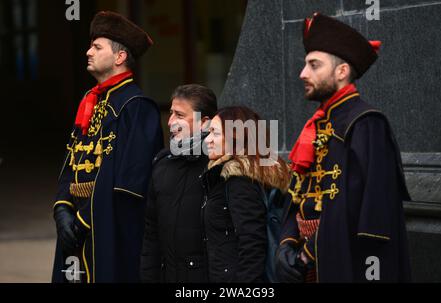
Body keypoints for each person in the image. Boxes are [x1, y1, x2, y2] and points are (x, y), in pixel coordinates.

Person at [276, 13, 411, 283]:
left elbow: (364, 207)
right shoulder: (317, 123)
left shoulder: (367, 124)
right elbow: (299, 193)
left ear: (342, 71)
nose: (303, 73)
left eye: (314, 65)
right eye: (305, 64)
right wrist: (286, 244)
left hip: (344, 260)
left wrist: (309, 253)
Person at [52, 11, 163, 283]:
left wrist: (84, 219)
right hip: (78, 223)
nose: (88, 52)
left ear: (120, 57)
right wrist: (63, 209)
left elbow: (129, 184)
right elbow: (73, 159)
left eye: (97, 47)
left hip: (108, 226)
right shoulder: (90, 101)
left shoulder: (136, 107)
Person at [202, 106, 291, 282]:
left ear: (237, 138)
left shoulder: (239, 180)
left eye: (215, 133)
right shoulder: (243, 176)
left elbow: (253, 244)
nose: (208, 140)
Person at [140, 84, 217, 283]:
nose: (170, 121)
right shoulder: (161, 162)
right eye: (171, 113)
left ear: (204, 123)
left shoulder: (219, 166)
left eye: (180, 116)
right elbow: (151, 235)